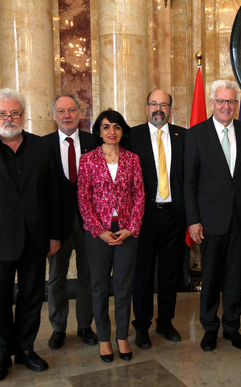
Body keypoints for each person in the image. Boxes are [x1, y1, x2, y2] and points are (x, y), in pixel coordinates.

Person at [0, 88, 61, 382]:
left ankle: (26, 349)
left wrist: (54, 235)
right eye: (2, 113)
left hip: (35, 237)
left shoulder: (43, 148)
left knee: (31, 296)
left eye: (15, 113)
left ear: (23, 115)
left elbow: (53, 195)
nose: (9, 118)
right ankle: (2, 354)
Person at [185, 79, 241, 352]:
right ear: (212, 103)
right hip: (210, 220)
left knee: (234, 277)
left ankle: (232, 327)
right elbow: (189, 182)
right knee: (211, 277)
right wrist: (193, 220)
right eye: (221, 101)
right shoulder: (196, 134)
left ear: (237, 105)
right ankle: (209, 328)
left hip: (239, 219)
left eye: (231, 102)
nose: (226, 106)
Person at [77, 109, 144, 362]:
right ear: (99, 131)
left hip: (127, 231)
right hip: (98, 234)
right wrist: (99, 231)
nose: (111, 131)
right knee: (100, 287)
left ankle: (123, 337)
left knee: (123, 287)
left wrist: (130, 228)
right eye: (106, 127)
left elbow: (139, 197)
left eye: (116, 127)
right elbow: (84, 200)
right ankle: (104, 338)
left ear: (122, 130)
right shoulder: (88, 160)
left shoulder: (133, 159)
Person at [130, 90, 186, 349]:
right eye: (154, 103)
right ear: (146, 107)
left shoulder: (183, 136)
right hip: (143, 216)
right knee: (141, 274)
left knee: (169, 272)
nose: (158, 109)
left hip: (173, 215)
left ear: (170, 109)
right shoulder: (132, 136)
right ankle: (141, 326)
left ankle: (166, 321)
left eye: (163, 104)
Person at [44, 94, 99, 350]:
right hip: (56, 226)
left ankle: (85, 326)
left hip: (90, 223)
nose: (67, 115)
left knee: (89, 275)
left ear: (80, 113)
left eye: (71, 110)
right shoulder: (42, 146)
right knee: (56, 277)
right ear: (54, 116)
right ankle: (58, 328)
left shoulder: (93, 142)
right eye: (61, 111)